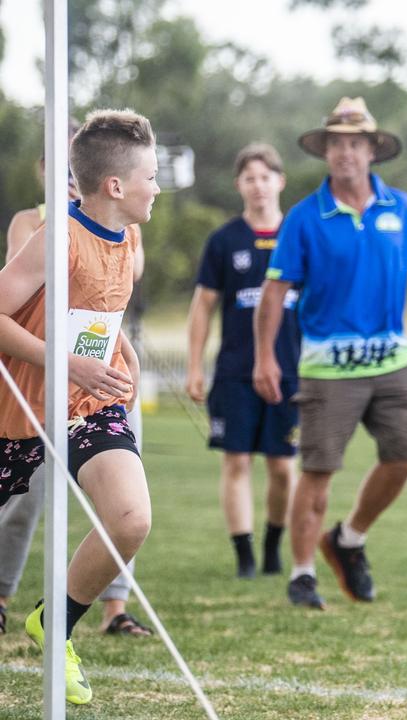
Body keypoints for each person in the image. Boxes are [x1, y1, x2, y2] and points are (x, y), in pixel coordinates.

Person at [253, 97, 407, 610]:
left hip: (392, 357)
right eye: (336, 144)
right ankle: (304, 573)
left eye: (355, 144)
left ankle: (349, 539)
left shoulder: (401, 208)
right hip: (327, 364)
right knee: (318, 471)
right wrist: (264, 358)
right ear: (326, 152)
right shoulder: (305, 216)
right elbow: (273, 294)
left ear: (372, 151)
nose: (345, 153)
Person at [0, 108, 161, 704]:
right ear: (115, 186)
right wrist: (66, 361)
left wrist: (122, 351)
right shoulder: (57, 236)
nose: (159, 187)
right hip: (20, 407)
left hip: (88, 403)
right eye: (151, 175)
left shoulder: (131, 236)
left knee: (131, 519)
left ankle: (56, 626)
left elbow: (97, 308)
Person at [186, 143, 298, 579]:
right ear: (239, 186)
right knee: (236, 462)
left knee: (284, 467)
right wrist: (195, 367)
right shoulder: (224, 240)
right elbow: (202, 307)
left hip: (291, 372)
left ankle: (273, 547)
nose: (258, 186)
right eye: (249, 178)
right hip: (235, 372)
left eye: (265, 177)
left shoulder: (298, 235)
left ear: (280, 181)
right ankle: (246, 557)